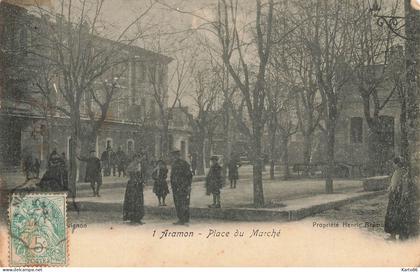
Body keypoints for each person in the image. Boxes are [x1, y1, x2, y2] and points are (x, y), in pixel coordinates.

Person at [384, 157, 419, 240]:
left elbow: (394, 186)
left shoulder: (398, 172)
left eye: (394, 163)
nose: (393, 165)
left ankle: (393, 235)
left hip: (396, 197)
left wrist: (390, 189)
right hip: (400, 196)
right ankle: (398, 234)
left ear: (397, 164)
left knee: (393, 215)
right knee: (399, 215)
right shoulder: (404, 171)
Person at [170, 150, 193, 225]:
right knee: (181, 202)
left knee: (182, 203)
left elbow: (189, 175)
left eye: (175, 155)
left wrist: (188, 185)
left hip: (182, 186)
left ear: (178, 156)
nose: (174, 157)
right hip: (177, 187)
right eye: (173, 156)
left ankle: (182, 219)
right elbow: (172, 176)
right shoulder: (175, 164)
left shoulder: (183, 164)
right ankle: (184, 219)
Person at [123, 154, 145, 224]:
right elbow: (127, 172)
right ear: (134, 159)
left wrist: (141, 182)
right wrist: (132, 178)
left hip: (138, 185)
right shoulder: (132, 165)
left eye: (139, 158)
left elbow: (140, 175)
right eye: (136, 159)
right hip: (132, 185)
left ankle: (138, 218)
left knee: (139, 201)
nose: (138, 160)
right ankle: (132, 218)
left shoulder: (139, 165)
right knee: (132, 200)